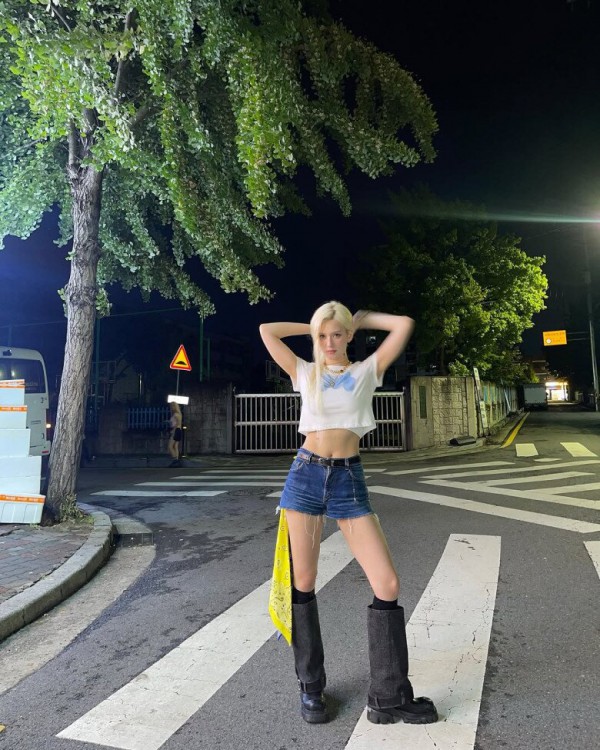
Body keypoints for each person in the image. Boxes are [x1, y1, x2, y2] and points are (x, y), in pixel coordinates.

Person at [259, 301, 438, 726]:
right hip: (305, 476)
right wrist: (314, 324)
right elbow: (267, 330)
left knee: (387, 583)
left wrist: (360, 319)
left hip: (348, 480)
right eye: (322, 336)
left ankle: (388, 696)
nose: (329, 342)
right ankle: (311, 687)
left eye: (336, 334)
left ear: (348, 336)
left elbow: (404, 322)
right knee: (303, 583)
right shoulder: (305, 372)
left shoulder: (366, 371)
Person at [167, 401, 183, 468]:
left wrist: (173, 431)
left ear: (175, 407)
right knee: (175, 446)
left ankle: (175, 460)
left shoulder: (176, 415)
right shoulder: (178, 414)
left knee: (170, 446)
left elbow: (177, 424)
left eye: (172, 406)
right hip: (178, 431)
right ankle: (177, 461)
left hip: (176, 430)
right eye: (171, 406)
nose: (171, 407)